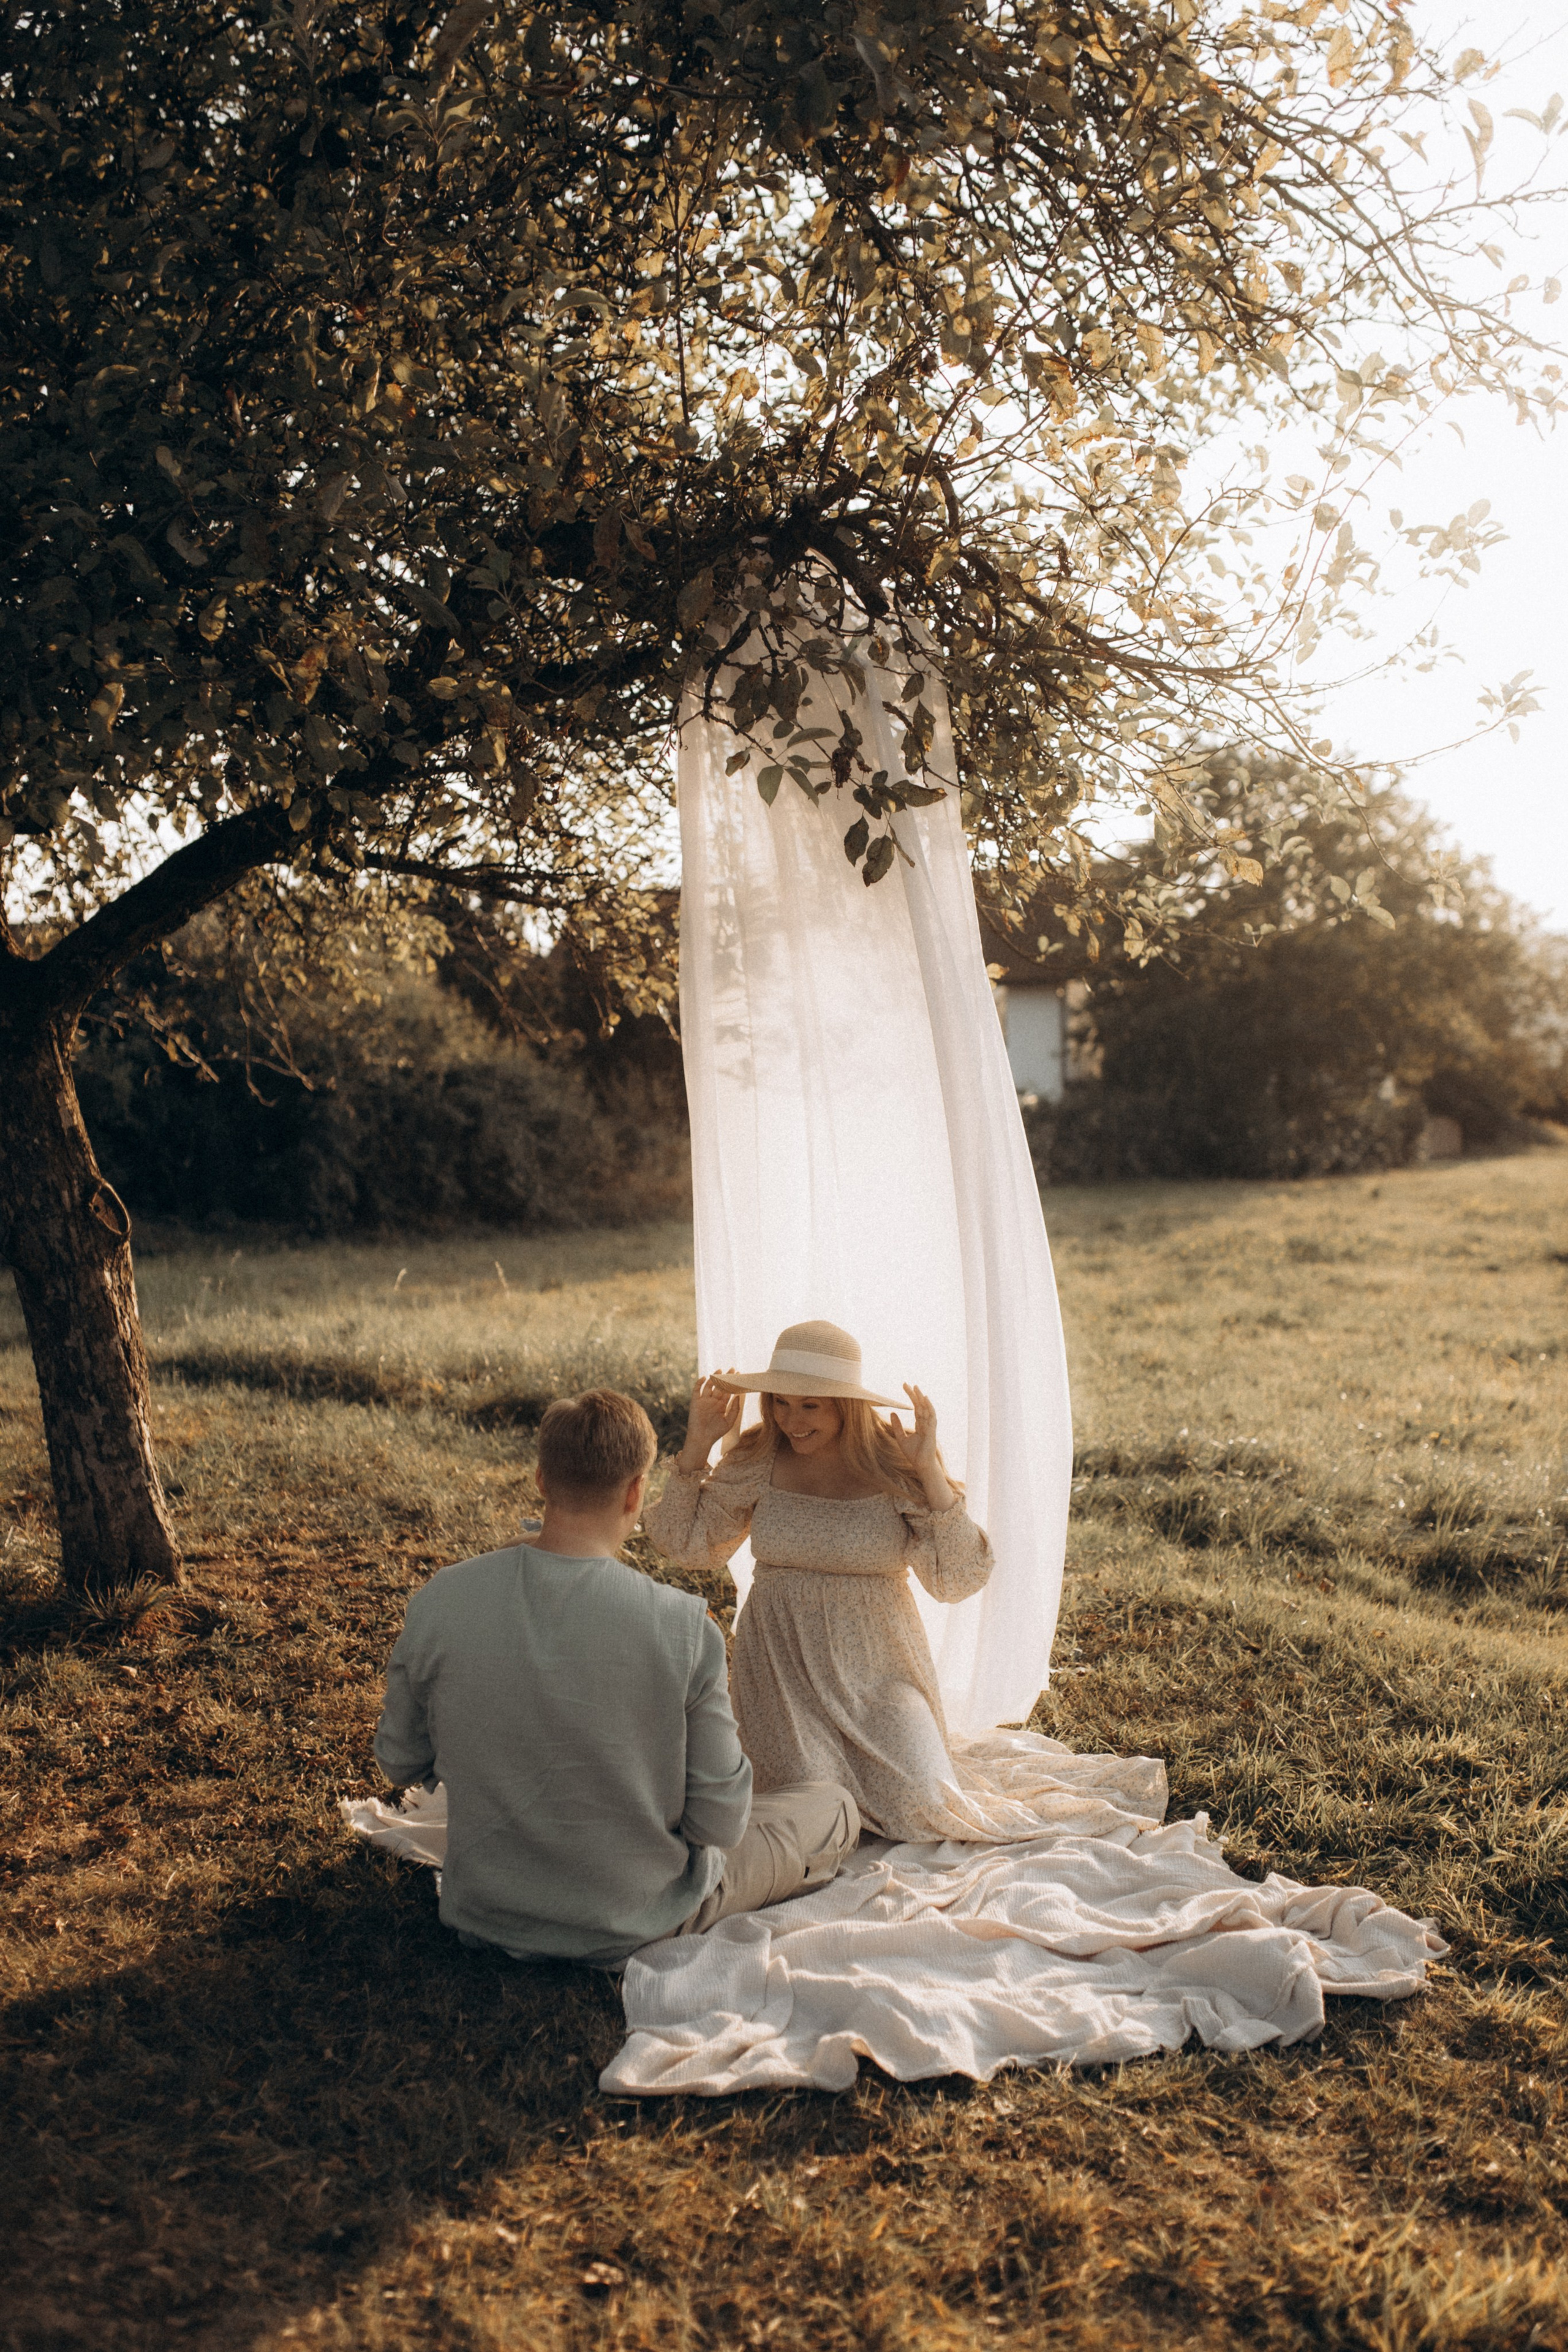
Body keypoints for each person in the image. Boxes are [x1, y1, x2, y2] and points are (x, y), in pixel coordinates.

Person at [372, 1388, 859, 1965]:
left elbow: (400, 1762)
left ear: (542, 1481)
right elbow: (721, 1822)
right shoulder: (684, 1625)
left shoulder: (443, 1599)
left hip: (487, 1911)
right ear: (635, 1492)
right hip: (639, 1920)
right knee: (832, 1806)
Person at [644, 1321, 1159, 1844]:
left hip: (880, 1671)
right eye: (780, 1402)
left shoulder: (892, 1463)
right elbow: (683, 1543)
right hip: (783, 1670)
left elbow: (958, 1579)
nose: (790, 1420)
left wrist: (929, 1472)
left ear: (845, 1405)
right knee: (815, 1807)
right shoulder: (758, 1458)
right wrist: (697, 1445)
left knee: (925, 1805)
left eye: (810, 1406)